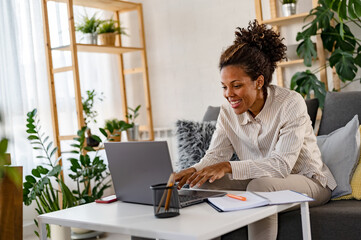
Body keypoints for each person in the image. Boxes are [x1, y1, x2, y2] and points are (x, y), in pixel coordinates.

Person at [175, 20, 336, 240]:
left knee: (261, 186)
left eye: (236, 85)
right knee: (198, 187)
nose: (228, 93)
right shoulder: (227, 112)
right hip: (261, 180)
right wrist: (193, 171)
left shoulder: (290, 103)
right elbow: (215, 155)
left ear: (259, 82)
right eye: (224, 86)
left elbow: (281, 166)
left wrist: (227, 166)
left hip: (308, 180)